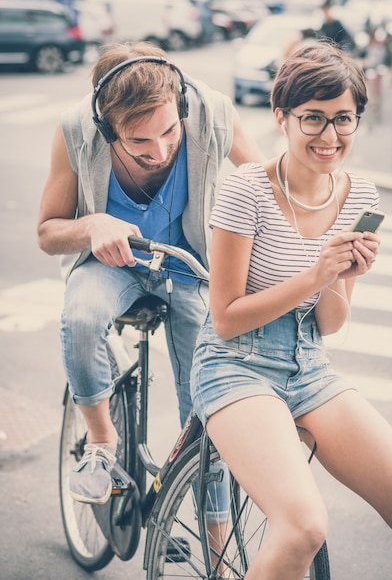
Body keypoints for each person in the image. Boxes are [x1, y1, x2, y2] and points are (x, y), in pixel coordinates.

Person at [190, 42, 392, 579]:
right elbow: (225, 316)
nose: (330, 136)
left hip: (309, 365)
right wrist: (315, 275)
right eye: (313, 118)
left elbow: (329, 324)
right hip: (234, 365)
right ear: (281, 117)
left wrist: (344, 277)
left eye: (344, 119)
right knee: (304, 527)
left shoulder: (362, 194)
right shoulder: (248, 188)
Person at [37, 41, 266, 507]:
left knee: (206, 410)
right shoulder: (76, 129)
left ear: (180, 105)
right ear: (106, 127)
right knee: (79, 319)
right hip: (111, 266)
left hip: (189, 266)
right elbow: (47, 232)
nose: (159, 151)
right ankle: (102, 444)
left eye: (168, 132)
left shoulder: (214, 114)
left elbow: (265, 188)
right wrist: (91, 224)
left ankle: (215, 548)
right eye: (138, 141)